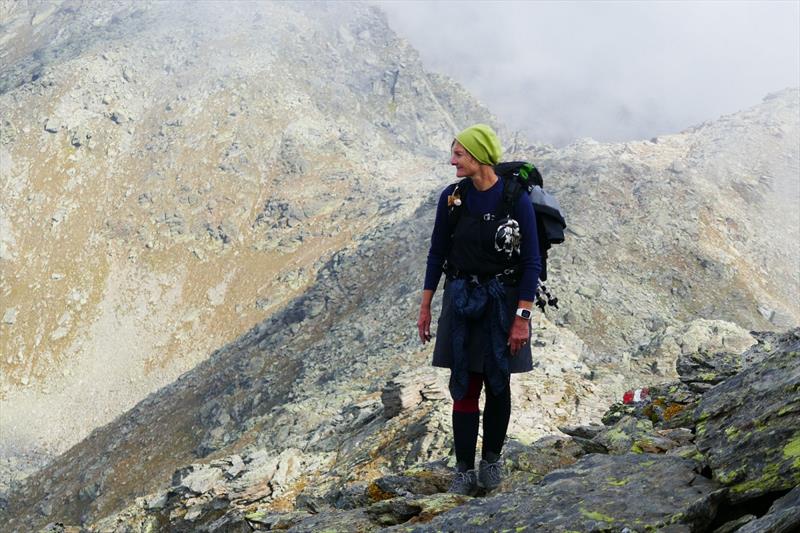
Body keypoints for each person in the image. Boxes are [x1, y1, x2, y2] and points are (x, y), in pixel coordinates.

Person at [417, 124, 541, 495]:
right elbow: (437, 253)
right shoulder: (452, 198)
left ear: (478, 156)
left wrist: (522, 318)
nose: (452, 160)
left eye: (459, 154)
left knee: (497, 383)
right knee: (465, 385)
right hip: (461, 301)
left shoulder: (515, 198)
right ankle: (463, 470)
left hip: (503, 303)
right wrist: (425, 307)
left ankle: (491, 462)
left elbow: (531, 261)